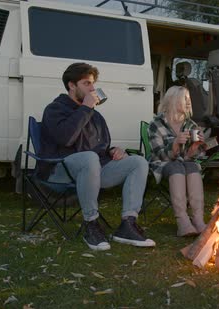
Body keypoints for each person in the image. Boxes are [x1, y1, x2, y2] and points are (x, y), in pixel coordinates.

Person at [38, 62, 155, 251]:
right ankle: (91, 224)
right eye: (86, 84)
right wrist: (85, 108)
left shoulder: (95, 115)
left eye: (92, 84)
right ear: (71, 85)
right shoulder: (55, 109)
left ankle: (127, 224)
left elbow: (102, 146)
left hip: (93, 170)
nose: (92, 88)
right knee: (89, 158)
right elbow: (66, 139)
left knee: (138, 162)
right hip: (59, 169)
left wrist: (113, 150)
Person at [147, 86, 207, 236]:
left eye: (189, 99)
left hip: (183, 163)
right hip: (161, 164)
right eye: (184, 98)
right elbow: (160, 155)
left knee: (192, 166)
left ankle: (198, 220)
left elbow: (189, 157)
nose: (189, 102)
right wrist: (175, 143)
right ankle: (182, 221)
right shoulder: (156, 124)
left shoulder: (191, 125)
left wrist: (195, 146)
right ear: (173, 100)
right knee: (176, 167)